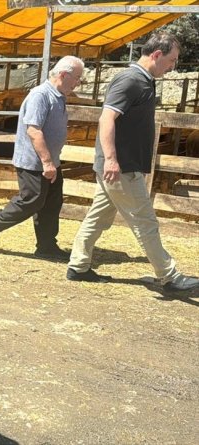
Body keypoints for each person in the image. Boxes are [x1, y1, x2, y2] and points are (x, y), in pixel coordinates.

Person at [67, 32, 198, 292]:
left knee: (98, 217)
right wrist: (112, 160)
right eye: (171, 60)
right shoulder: (131, 80)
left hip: (120, 166)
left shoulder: (144, 80)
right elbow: (106, 120)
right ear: (157, 55)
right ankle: (169, 276)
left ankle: (78, 265)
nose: (173, 67)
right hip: (121, 168)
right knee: (146, 221)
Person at [0, 56, 84, 260]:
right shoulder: (40, 95)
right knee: (32, 200)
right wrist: (46, 162)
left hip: (51, 161)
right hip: (34, 162)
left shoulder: (58, 96)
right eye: (77, 78)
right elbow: (34, 130)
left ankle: (46, 245)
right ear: (64, 75)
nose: (78, 83)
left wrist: (52, 161)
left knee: (52, 203)